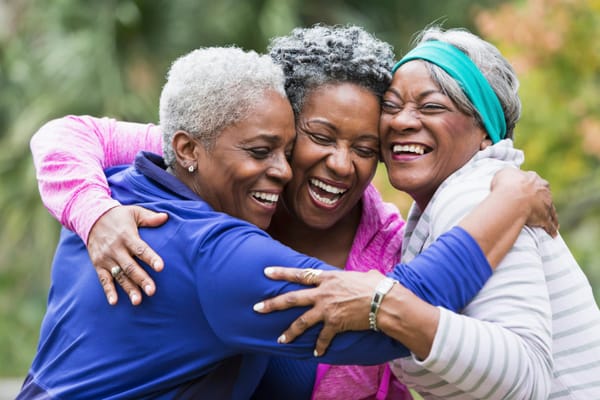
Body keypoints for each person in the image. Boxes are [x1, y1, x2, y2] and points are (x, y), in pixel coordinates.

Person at [27, 26, 558, 399]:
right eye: (315, 138)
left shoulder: (132, 185)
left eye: (366, 146)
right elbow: (396, 317)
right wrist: (508, 203)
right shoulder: (209, 244)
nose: (278, 169)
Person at [256, 27, 600, 399]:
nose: (402, 121)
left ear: (485, 130)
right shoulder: (445, 215)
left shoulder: (479, 194)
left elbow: (526, 372)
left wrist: (379, 302)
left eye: (431, 106)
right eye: (392, 106)